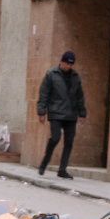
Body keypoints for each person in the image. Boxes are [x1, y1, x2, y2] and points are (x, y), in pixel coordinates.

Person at [36, 50, 87, 178]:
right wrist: (41, 111)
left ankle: (62, 170)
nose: (69, 66)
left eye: (71, 64)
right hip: (56, 113)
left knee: (69, 142)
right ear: (61, 62)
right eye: (67, 64)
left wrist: (82, 113)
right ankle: (44, 163)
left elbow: (80, 96)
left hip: (71, 114)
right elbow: (44, 94)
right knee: (55, 138)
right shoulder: (51, 74)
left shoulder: (75, 77)